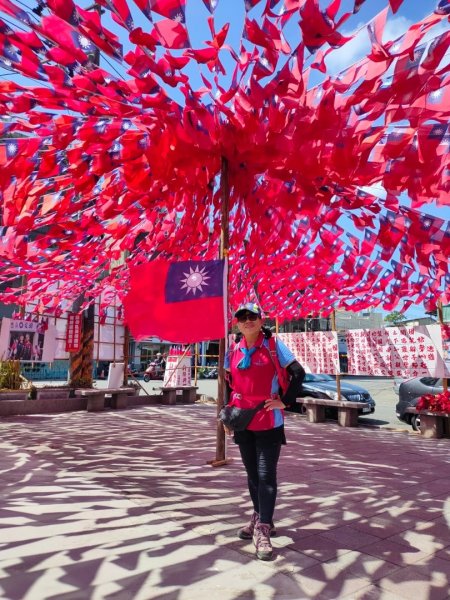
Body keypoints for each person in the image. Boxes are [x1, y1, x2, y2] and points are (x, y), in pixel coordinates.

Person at [224, 302, 305, 561]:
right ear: (237, 322)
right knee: (251, 475)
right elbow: (229, 384)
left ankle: (263, 529)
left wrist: (286, 401)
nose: (247, 321)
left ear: (261, 321)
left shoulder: (273, 346)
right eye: (242, 317)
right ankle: (261, 517)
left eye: (252, 317)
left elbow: (298, 373)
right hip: (242, 419)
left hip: (269, 419)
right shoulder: (232, 350)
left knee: (265, 475)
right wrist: (228, 415)